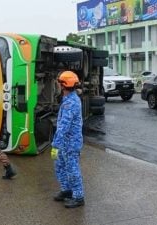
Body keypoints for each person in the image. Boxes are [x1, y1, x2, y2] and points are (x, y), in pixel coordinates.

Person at [51, 71, 85, 208]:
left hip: (70, 143)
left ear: (63, 85)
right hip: (64, 142)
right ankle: (67, 190)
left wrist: (55, 144)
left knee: (72, 169)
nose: (57, 85)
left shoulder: (71, 102)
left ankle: (78, 197)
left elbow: (64, 126)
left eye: (59, 83)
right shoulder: (67, 99)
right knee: (60, 166)